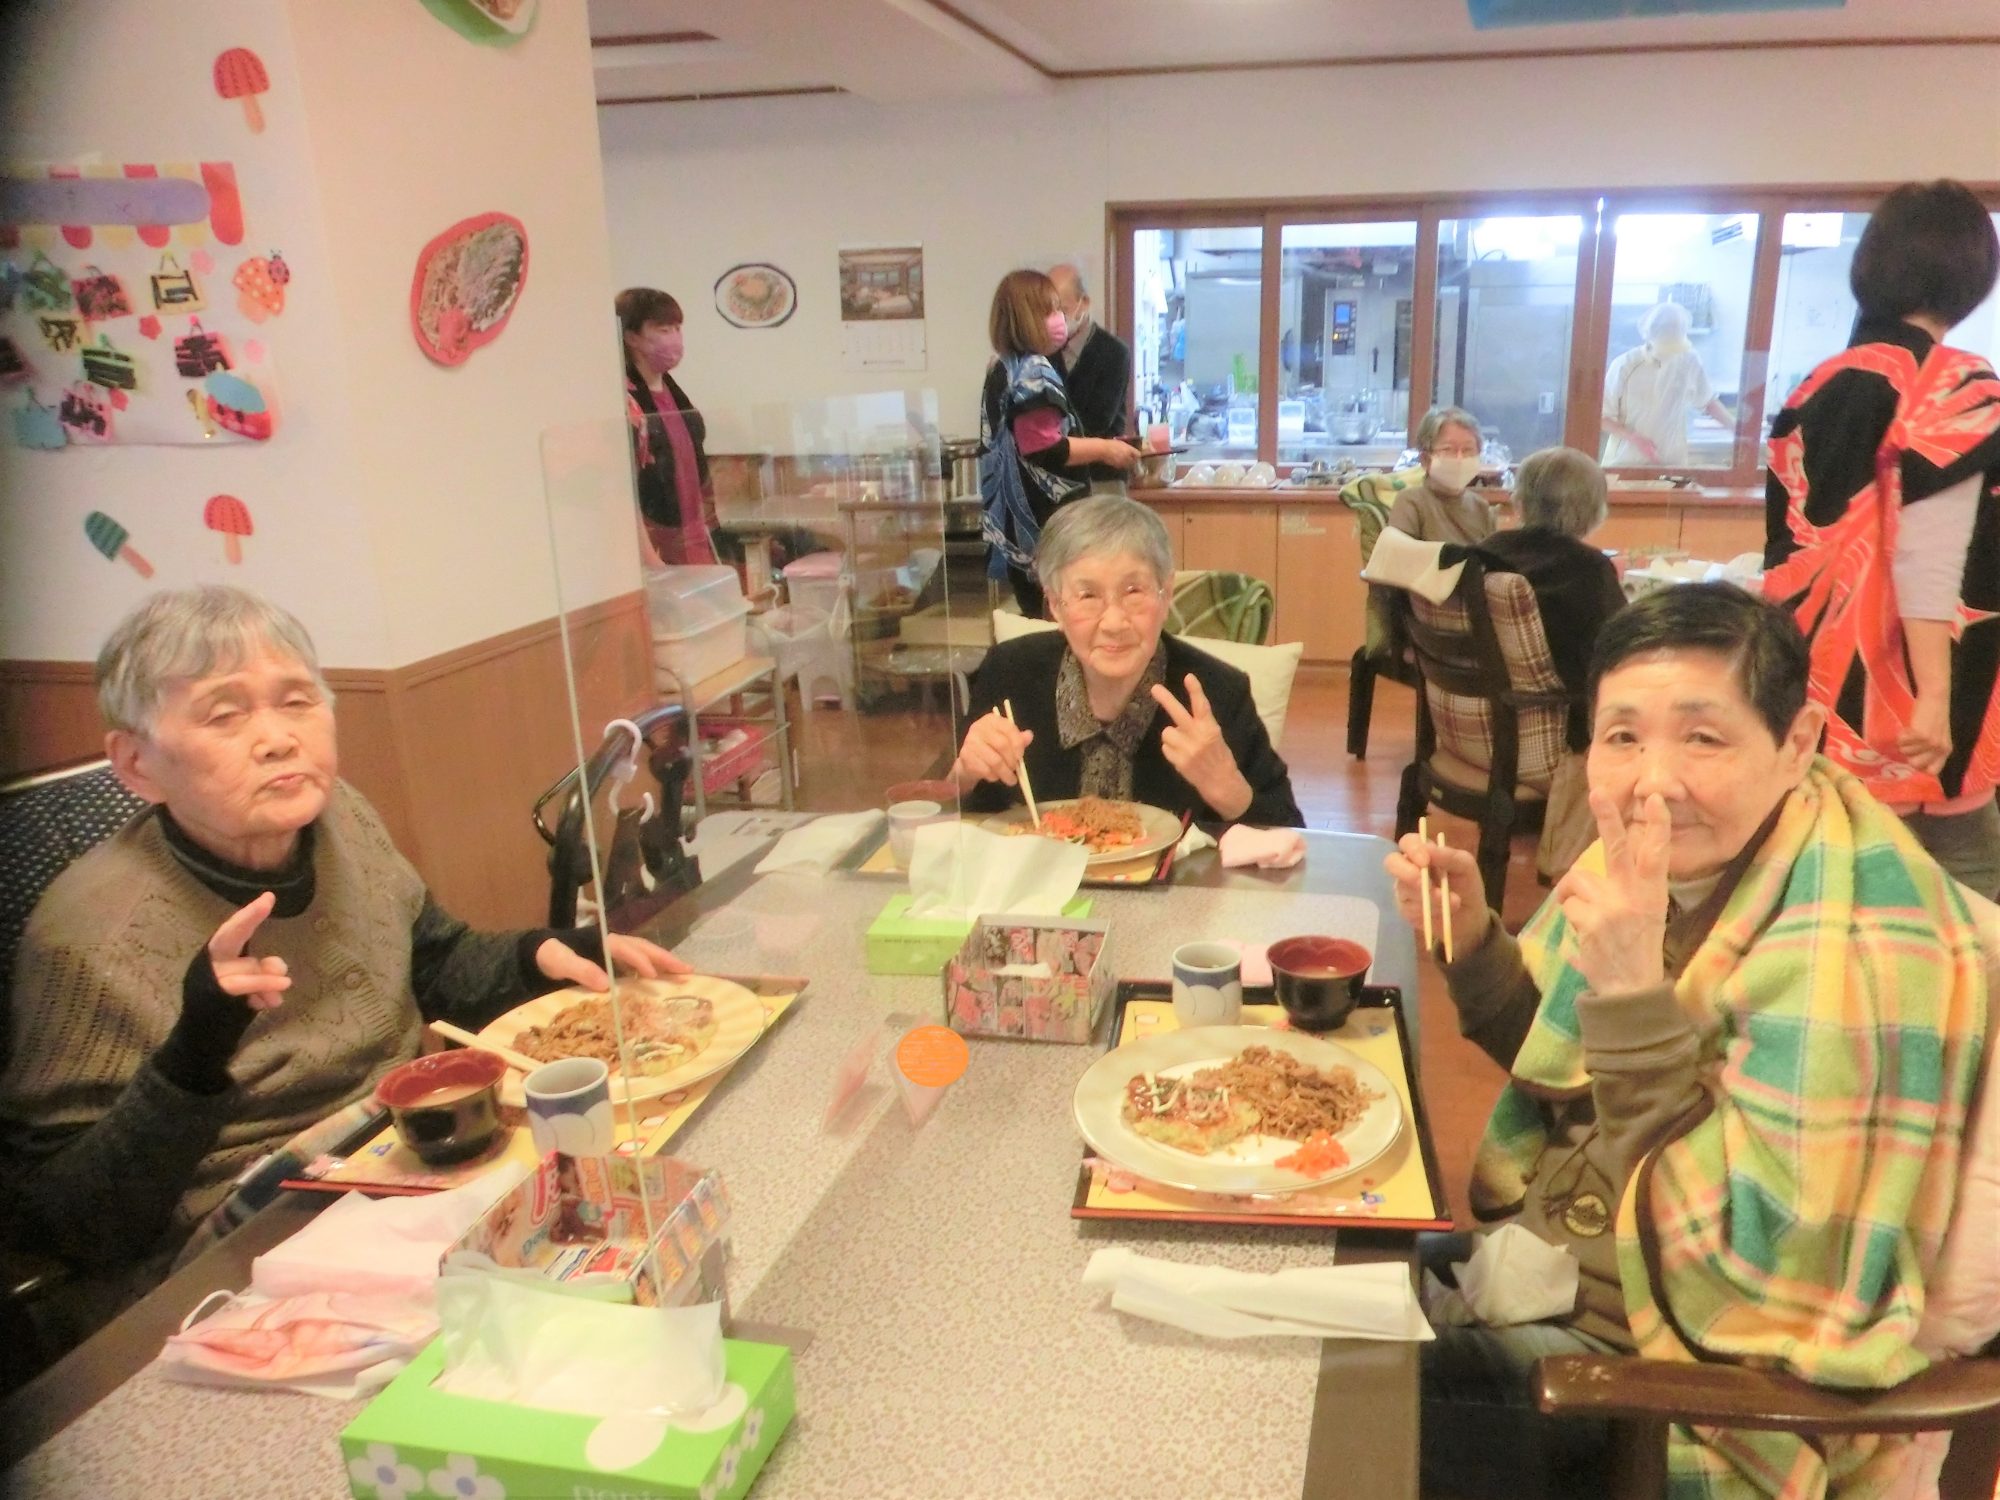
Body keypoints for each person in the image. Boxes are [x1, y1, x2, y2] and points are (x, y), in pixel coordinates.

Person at [1386, 584, 1988, 1499]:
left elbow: (1758, 1279)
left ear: (1798, 742)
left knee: (1321, 1400)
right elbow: (1571, 1072)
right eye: (1623, 736)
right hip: (1550, 1267)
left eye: (1703, 738)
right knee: (1304, 1268)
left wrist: (1633, 992)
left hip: (1657, 1381)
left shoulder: (1859, 952)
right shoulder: (1653, 853)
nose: (1652, 782)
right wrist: (1473, 944)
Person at [0, 587, 685, 1343]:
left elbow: (432, 960)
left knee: (640, 1234)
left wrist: (541, 954)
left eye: (296, 701)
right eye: (225, 715)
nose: (277, 739)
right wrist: (194, 1053)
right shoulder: (88, 933)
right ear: (137, 764)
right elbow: (69, 1227)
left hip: (402, 1157)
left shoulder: (340, 817)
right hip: (239, 1246)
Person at [1762, 179, 2000, 898]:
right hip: (1913, 688)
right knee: (1959, 889)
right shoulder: (1952, 382)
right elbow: (1931, 550)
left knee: (1826, 878)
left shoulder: (1817, 384)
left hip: (1810, 681)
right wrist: (1935, 696)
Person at [954, 494, 1300, 827]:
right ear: (1056, 605)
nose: (1114, 622)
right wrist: (964, 774)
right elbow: (955, 813)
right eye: (1088, 595)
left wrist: (1229, 790)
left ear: (1165, 594)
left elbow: (1291, 833)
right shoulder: (1009, 672)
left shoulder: (1219, 693)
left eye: (1134, 591)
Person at [979, 269, 1141, 618]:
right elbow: (1045, 447)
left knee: (1036, 615)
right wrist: (1106, 449)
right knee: (1061, 620)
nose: (1059, 320)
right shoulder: (1034, 371)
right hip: (1045, 525)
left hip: (1014, 528)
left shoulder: (1002, 368)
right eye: (1051, 310)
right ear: (1028, 318)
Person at [1465, 445, 1625, 750]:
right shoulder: (1589, 568)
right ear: (1594, 509)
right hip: (1560, 721)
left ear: (1520, 502)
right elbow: (1617, 648)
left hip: (1481, 713)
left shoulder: (1487, 551)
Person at [618, 286, 720, 567]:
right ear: (631, 337)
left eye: (677, 328)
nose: (674, 337)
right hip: (658, 544)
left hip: (696, 533)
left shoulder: (674, 394)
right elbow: (622, 490)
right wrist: (652, 560)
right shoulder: (626, 402)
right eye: (663, 330)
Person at [1600, 302, 1734, 468]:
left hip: (1672, 461)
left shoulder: (1688, 360)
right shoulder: (1626, 365)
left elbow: (1707, 402)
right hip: (1627, 461)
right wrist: (1634, 438)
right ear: (1651, 335)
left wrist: (1738, 431)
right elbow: (1602, 417)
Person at [1048, 262, 1135, 495]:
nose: (1055, 318)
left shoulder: (1113, 352)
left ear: (1083, 303)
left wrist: (1051, 438)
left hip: (1101, 480)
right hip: (1057, 481)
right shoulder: (1043, 352)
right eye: (1048, 311)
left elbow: (1096, 422)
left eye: (1062, 309)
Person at [1387, 405, 1499, 545]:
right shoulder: (1411, 502)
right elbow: (1400, 554)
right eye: (1448, 449)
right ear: (1425, 459)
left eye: (1468, 450)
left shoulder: (1481, 507)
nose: (1460, 459)